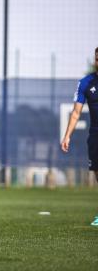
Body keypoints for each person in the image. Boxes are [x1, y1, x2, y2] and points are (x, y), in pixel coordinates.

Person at [61, 47, 98, 226]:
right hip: (95, 134)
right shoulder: (86, 83)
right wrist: (67, 136)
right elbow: (76, 113)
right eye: (97, 59)